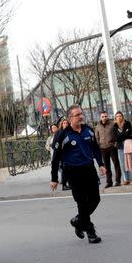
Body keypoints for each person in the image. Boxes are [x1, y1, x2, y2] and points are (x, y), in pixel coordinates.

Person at [50, 104, 107, 244]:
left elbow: (95, 149)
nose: (81, 116)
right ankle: (90, 231)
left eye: (81, 113)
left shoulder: (88, 130)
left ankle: (78, 221)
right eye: (77, 115)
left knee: (95, 199)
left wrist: (101, 164)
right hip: (73, 172)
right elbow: (55, 158)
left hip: (89, 169)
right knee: (82, 202)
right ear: (70, 118)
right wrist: (54, 178)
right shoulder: (63, 134)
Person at [94, 111, 121, 188]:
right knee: (106, 166)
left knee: (116, 164)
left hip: (112, 147)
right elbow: (96, 137)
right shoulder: (98, 126)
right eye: (103, 116)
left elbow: (117, 134)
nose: (104, 118)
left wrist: (115, 143)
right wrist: (99, 145)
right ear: (100, 117)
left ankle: (118, 181)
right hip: (103, 149)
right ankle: (109, 182)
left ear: (108, 116)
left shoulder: (113, 124)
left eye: (105, 116)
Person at [113, 111, 132, 184]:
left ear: (122, 117)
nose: (119, 117)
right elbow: (116, 138)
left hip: (129, 145)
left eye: (120, 116)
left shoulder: (128, 123)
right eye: (117, 116)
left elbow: (128, 133)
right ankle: (126, 179)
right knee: (123, 164)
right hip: (120, 147)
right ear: (115, 118)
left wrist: (120, 135)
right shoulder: (115, 126)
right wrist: (123, 134)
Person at [53, 116, 71, 190]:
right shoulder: (59, 132)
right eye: (64, 123)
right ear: (62, 124)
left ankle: (70, 183)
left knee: (70, 169)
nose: (65, 124)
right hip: (62, 154)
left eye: (66, 123)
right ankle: (64, 185)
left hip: (69, 153)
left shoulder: (70, 131)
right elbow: (55, 144)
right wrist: (58, 150)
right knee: (64, 170)